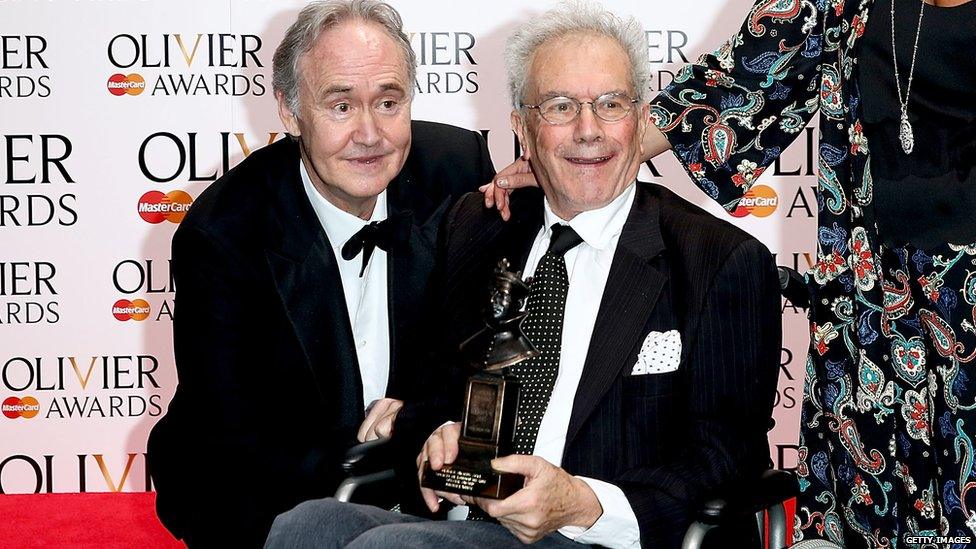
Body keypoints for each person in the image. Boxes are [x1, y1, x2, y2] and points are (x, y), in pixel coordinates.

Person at [265, 3, 781, 547]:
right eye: (560, 107)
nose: (589, 131)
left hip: (595, 535)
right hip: (468, 527)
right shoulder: (480, 229)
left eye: (611, 104)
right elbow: (432, 393)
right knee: (307, 526)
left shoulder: (717, 260)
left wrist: (585, 503)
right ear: (523, 129)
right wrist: (436, 435)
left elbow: (730, 454)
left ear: (641, 118)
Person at [484, 0, 976, 546]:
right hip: (878, 321)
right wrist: (577, 155)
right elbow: (745, 80)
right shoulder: (839, 3)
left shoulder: (725, 264)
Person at [146, 1, 495, 546]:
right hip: (261, 484)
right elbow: (236, 433)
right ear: (289, 111)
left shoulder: (458, 172)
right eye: (340, 106)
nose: (370, 133)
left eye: (388, 101)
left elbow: (494, 342)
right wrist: (391, 456)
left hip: (420, 485)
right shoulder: (223, 234)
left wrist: (420, 421)